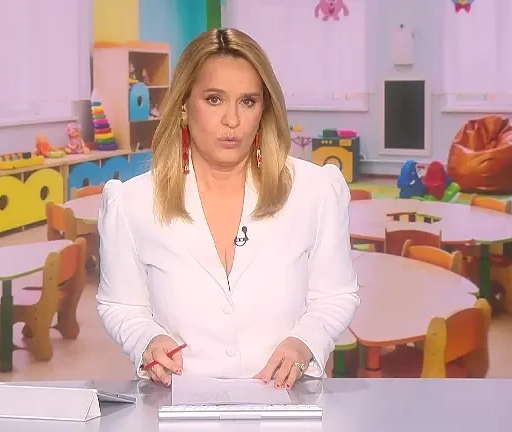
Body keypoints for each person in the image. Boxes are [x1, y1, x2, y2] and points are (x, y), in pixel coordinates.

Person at [96, 28, 360, 390]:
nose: (232, 121)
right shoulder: (132, 203)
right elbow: (121, 306)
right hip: (178, 399)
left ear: (264, 109)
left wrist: (304, 343)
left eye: (248, 101)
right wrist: (147, 340)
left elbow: (336, 295)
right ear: (184, 106)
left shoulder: (315, 191)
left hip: (288, 400)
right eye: (214, 99)